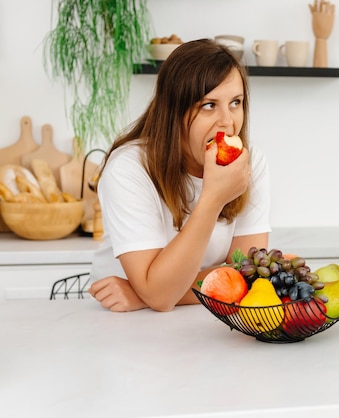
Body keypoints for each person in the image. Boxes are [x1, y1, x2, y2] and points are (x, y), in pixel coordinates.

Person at [88, 39, 271, 313]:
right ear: (173, 111)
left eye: (235, 102)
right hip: (120, 323)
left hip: (199, 317)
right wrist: (213, 198)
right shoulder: (128, 169)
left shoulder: (250, 161)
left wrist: (145, 294)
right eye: (209, 105)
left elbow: (249, 275)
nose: (227, 121)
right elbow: (162, 298)